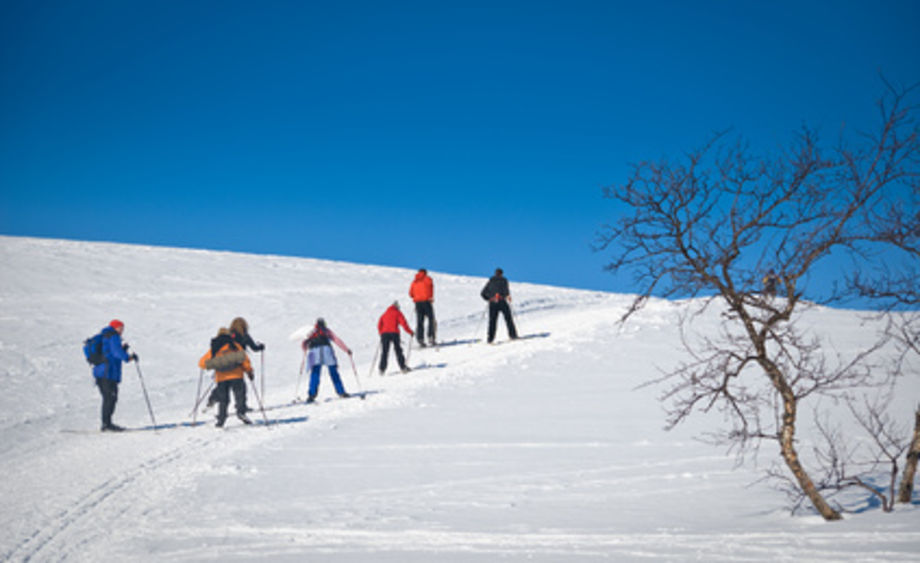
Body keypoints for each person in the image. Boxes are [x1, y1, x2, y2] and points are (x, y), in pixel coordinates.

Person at [199, 327, 254, 427]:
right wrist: (249, 371)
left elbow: (202, 363)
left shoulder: (214, 348)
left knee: (223, 399)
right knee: (240, 395)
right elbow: (244, 359)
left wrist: (214, 363)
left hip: (221, 378)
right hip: (237, 375)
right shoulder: (234, 345)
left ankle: (221, 419)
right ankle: (241, 412)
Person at [92, 319, 138, 432]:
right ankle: (107, 424)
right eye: (121, 328)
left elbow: (111, 352)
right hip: (107, 373)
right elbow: (117, 353)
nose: (122, 330)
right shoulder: (113, 336)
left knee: (110, 398)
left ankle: (106, 423)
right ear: (115, 327)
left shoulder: (106, 336)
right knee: (110, 398)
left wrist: (124, 349)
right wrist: (129, 357)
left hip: (102, 372)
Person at [301, 318, 352, 403]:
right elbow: (336, 340)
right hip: (326, 351)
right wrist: (346, 350)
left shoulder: (311, 331)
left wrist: (305, 349)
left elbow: (304, 344)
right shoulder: (326, 331)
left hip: (314, 353)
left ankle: (311, 395)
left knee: (315, 374)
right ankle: (341, 392)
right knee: (333, 372)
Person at [480, 268, 518, 344]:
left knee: (492, 321)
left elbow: (483, 293)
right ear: (501, 274)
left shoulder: (490, 281)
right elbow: (506, 291)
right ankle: (513, 335)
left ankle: (490, 339)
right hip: (502, 301)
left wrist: (489, 298)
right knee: (508, 319)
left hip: (493, 303)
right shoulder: (504, 280)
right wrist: (507, 296)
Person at [377, 301, 413, 375]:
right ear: (397, 307)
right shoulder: (397, 313)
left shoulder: (384, 314)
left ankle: (381, 369)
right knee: (398, 350)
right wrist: (410, 332)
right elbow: (403, 323)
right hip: (394, 333)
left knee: (384, 352)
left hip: (384, 334)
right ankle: (403, 367)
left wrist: (381, 333)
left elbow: (379, 324)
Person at [409, 268, 437, 347]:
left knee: (420, 321)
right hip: (426, 301)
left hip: (418, 303)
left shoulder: (414, 281)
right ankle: (431, 337)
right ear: (425, 273)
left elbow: (411, 294)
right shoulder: (428, 279)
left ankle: (420, 339)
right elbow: (431, 288)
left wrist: (417, 296)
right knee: (431, 319)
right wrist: (431, 297)